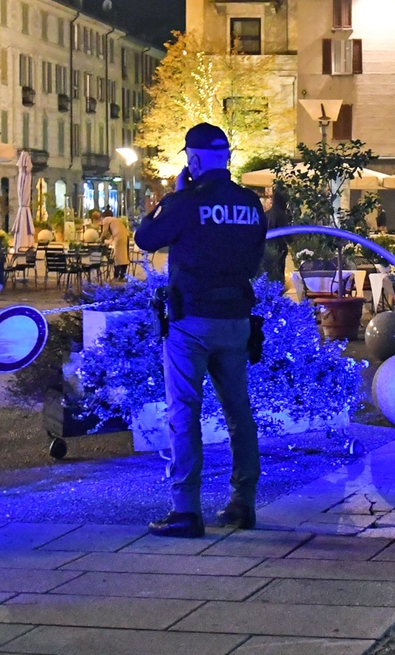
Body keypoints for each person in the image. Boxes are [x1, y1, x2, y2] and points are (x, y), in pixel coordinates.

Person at [135, 123, 268, 539]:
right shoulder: (250, 203)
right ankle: (242, 503)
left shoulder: (185, 202)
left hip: (190, 321)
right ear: (227, 158)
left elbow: (145, 238)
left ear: (192, 161)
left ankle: (186, 510)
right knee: (239, 414)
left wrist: (172, 196)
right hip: (236, 320)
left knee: (184, 412)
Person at [263, 188, 290, 282]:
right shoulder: (282, 215)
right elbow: (286, 233)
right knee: (278, 276)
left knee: (268, 275)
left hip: (266, 249)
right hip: (279, 249)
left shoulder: (266, 214)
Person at [100, 208, 130, 280]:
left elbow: (104, 232)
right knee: (124, 257)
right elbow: (112, 235)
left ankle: (116, 276)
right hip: (125, 236)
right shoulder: (115, 220)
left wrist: (101, 240)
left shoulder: (106, 220)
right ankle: (122, 275)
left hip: (119, 237)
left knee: (117, 257)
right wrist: (107, 241)